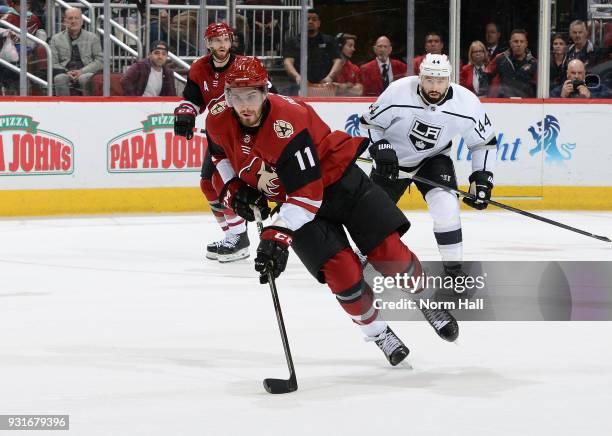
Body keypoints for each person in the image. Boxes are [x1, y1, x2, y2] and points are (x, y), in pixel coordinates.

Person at [206, 56, 459, 366]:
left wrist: (276, 236)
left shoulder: (288, 123)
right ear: (226, 96)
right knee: (343, 273)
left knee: (388, 253)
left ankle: (425, 299)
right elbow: (218, 153)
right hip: (292, 203)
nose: (244, 105)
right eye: (236, 97)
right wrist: (234, 188)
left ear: (266, 91)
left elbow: (308, 195)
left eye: (252, 96)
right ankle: (379, 332)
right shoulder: (218, 116)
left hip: (338, 184)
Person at [360, 54, 498, 278]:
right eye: (429, 80)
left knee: (447, 207)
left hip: (433, 159)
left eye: (441, 80)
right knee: (373, 215)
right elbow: (369, 123)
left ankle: (454, 270)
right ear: (420, 77)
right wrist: (381, 148)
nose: (435, 87)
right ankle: (360, 255)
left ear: (449, 79)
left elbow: (483, 143)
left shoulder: (466, 102)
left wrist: (482, 179)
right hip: (393, 160)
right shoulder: (398, 91)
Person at [173, 22, 249, 262]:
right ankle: (232, 236)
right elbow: (192, 100)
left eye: (225, 39)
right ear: (208, 44)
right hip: (217, 136)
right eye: (216, 40)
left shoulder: (244, 66)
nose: (222, 44)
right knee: (208, 185)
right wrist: (185, 114)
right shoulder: (199, 68)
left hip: (243, 137)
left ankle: (240, 237)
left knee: (221, 182)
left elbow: (269, 97)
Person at [282, 9, 342, 95]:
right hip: (299, 86)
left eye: (314, 19)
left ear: (319, 23)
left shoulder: (329, 40)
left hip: (324, 85)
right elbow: (288, 62)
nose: (310, 22)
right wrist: (297, 77)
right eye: (307, 19)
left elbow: (338, 61)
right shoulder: (293, 41)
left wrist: (330, 77)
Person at [50, 7, 103, 96]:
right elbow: (53, 63)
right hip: (65, 72)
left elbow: (100, 60)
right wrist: (65, 72)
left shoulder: (93, 37)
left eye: (76, 18)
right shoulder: (56, 39)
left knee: (85, 78)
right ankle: (64, 108)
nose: (73, 21)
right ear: (65, 21)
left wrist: (82, 71)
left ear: (82, 21)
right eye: (70, 18)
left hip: (86, 71)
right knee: (59, 78)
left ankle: (88, 108)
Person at [486, 29, 537, 98]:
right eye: (516, 42)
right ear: (510, 43)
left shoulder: (534, 63)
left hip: (526, 104)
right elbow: (486, 75)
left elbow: (538, 86)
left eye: (522, 42)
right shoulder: (500, 59)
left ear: (526, 44)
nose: (519, 44)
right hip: (504, 103)